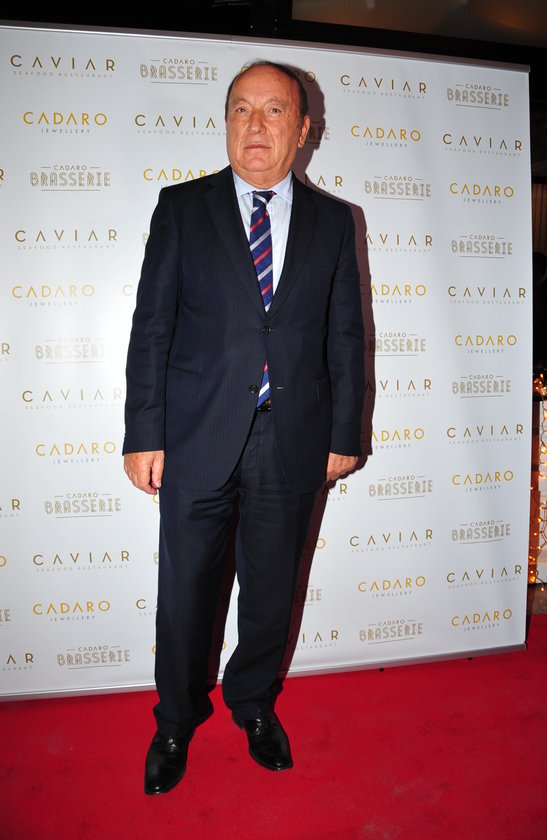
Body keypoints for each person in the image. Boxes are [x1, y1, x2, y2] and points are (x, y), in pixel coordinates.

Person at [123, 61, 365, 795]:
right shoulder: (182, 208)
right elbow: (152, 326)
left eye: (273, 110)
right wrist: (143, 431)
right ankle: (175, 718)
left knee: (269, 589)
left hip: (292, 438)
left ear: (304, 128)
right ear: (226, 122)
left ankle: (253, 703)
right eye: (241, 109)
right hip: (196, 434)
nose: (255, 125)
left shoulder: (334, 221)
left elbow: (345, 336)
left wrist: (344, 433)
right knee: (185, 592)